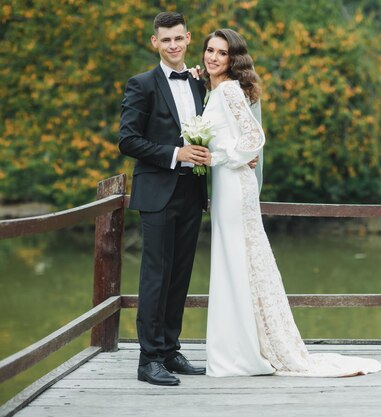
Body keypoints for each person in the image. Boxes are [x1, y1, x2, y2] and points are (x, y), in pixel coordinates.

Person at [200, 29, 381, 377]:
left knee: (238, 263)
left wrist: (218, 157)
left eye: (221, 53)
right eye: (209, 50)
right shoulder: (215, 90)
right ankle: (239, 347)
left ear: (233, 59)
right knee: (234, 264)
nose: (213, 57)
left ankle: (240, 353)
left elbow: (255, 136)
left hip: (234, 186)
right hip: (226, 186)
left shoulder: (227, 90)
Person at [118, 11, 210, 386]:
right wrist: (177, 154)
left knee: (179, 276)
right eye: (165, 39)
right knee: (155, 276)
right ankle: (148, 360)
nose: (173, 45)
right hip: (158, 191)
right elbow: (127, 140)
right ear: (155, 43)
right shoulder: (141, 84)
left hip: (193, 191)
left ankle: (170, 351)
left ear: (188, 39)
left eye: (178, 38)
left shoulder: (199, 84)